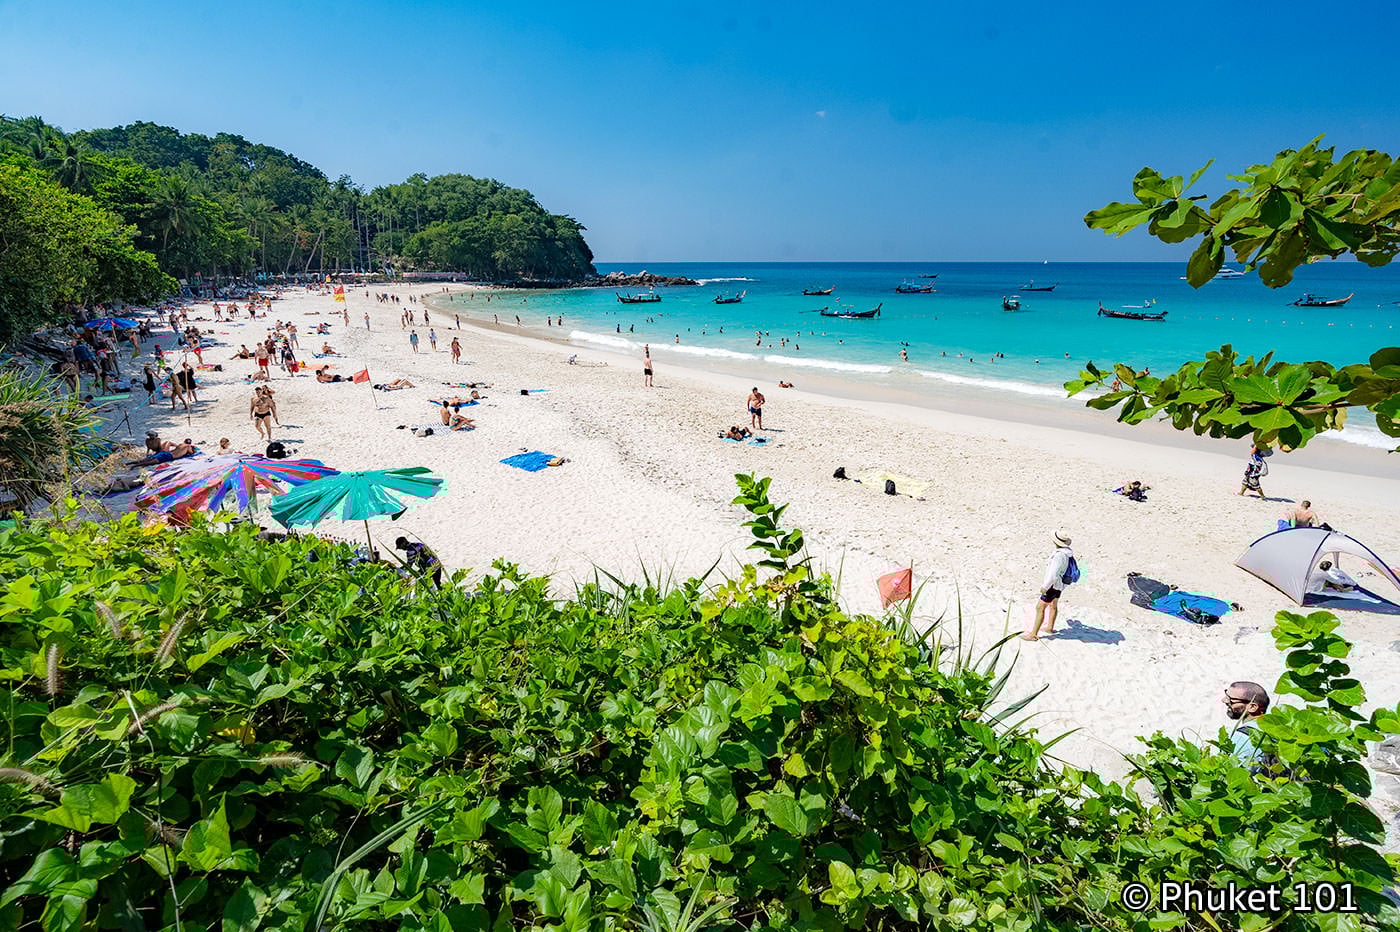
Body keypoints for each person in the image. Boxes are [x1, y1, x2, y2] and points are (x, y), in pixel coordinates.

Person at [1024, 530, 1075, 641]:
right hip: (1060, 584)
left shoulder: (1059, 556)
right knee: (1053, 605)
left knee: (1040, 607)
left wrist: (1045, 587)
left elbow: (1053, 574)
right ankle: (1050, 627)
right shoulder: (1068, 553)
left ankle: (1033, 634)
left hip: (1053, 585)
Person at [1222, 681, 1271, 767]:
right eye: (1226, 695)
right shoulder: (1275, 729)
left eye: (1231, 700)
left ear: (1252, 707)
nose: (1224, 700)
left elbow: (1231, 771)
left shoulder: (1241, 737)